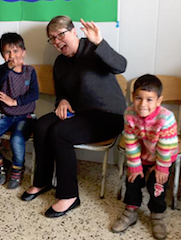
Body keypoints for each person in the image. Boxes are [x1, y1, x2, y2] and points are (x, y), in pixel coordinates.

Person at [21, 15, 127, 218]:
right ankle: (42, 181)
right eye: (52, 39)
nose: (57, 42)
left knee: (61, 133)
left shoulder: (93, 48)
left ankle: (69, 195)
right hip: (80, 113)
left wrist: (100, 42)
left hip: (108, 115)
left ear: (73, 31)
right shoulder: (60, 63)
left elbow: (120, 65)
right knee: (42, 125)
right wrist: (62, 101)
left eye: (60, 35)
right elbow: (62, 92)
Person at [111, 74, 178, 240]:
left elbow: (166, 145)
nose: (143, 104)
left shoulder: (166, 117)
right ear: (132, 97)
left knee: (157, 185)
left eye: (149, 99)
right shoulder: (129, 113)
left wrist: (162, 167)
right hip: (142, 155)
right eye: (138, 98)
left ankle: (157, 215)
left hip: (163, 156)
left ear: (159, 101)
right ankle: (131, 210)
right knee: (133, 180)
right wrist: (135, 165)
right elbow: (131, 141)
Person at [0, 32, 39, 189]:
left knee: (16, 139)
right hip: (5, 116)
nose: (12, 55)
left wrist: (14, 102)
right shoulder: (2, 71)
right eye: (7, 52)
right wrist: (10, 66)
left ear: (24, 52)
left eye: (16, 51)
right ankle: (0, 163)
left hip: (26, 117)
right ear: (2, 55)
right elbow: (2, 74)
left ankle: (18, 168)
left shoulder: (30, 71)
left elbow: (34, 94)